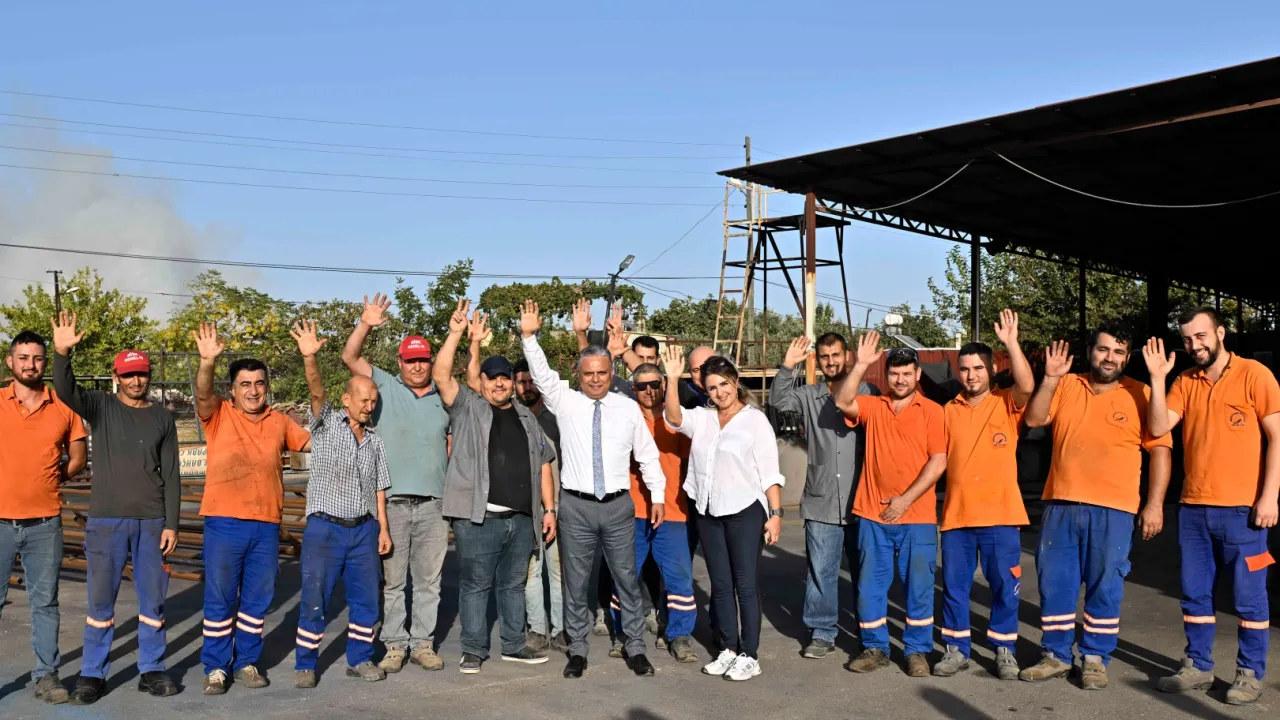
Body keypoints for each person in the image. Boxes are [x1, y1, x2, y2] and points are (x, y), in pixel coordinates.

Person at [519, 299, 666, 680]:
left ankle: (635, 647)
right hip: (576, 507)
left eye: (602, 372)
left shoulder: (627, 407)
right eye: (589, 374)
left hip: (618, 507)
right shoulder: (566, 403)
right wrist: (529, 338)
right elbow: (542, 374)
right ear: (579, 374)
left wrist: (658, 496)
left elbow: (647, 455)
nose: (596, 379)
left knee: (627, 579)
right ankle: (578, 650)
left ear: (611, 372)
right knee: (576, 582)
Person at [1021, 320, 1172, 690]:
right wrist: (1051, 378)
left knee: (1106, 585)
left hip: (1114, 508)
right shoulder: (1067, 384)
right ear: (1090, 351)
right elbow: (1034, 419)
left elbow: (1160, 447)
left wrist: (1154, 504)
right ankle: (1055, 655)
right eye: (1103, 349)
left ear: (1127, 357)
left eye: (1119, 352)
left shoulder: (1140, 393)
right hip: (1061, 503)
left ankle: (1094, 659)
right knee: (1055, 583)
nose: (1110, 357)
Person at [1145, 308, 1280, 705]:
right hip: (1193, 509)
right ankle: (1198, 666)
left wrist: (1269, 496)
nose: (1194, 345)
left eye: (1201, 336)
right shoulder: (1185, 380)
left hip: (1244, 512)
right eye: (1187, 339)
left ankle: (1250, 673)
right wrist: (1158, 378)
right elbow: (1158, 427)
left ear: (1221, 333)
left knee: (1249, 597)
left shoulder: (1255, 375)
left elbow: (1277, 438)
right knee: (1195, 595)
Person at [50, 311, 180, 704]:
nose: (136, 381)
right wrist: (61, 352)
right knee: (100, 602)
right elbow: (65, 389)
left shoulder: (162, 417)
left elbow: (171, 473)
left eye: (141, 374)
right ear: (115, 377)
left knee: (153, 600)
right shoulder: (100, 407)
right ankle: (93, 673)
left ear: (149, 376)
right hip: (106, 521)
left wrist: (172, 523)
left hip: (152, 521)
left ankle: (152, 668)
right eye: (128, 375)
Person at [436, 301, 557, 673]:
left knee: (513, 585)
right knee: (475, 585)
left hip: (521, 519)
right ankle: (473, 649)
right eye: (492, 378)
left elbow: (544, 462)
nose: (500, 383)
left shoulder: (526, 417)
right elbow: (441, 376)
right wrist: (457, 335)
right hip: (479, 519)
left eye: (505, 377)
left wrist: (549, 509)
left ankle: (514, 644)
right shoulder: (468, 408)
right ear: (483, 382)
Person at [193, 323, 312, 695]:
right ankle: (216, 667)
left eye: (259, 383)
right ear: (233, 390)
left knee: (256, 602)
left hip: (265, 525)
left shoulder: (280, 421)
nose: (253, 390)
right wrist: (207, 361)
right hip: (224, 522)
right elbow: (202, 393)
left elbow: (315, 442)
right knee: (220, 599)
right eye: (245, 384)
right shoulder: (219, 415)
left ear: (267, 387)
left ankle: (246, 661)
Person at [342, 292, 451, 674]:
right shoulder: (385, 387)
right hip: (390, 504)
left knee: (429, 582)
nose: (418, 366)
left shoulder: (443, 395)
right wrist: (365, 324)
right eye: (410, 360)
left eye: (423, 359)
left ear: (431, 362)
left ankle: (422, 644)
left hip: (434, 505)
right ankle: (394, 644)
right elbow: (350, 357)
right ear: (400, 362)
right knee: (392, 582)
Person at [662, 349, 784, 682]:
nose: (720, 392)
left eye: (724, 384)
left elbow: (769, 471)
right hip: (708, 510)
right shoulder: (702, 418)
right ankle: (728, 649)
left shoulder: (754, 420)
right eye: (713, 387)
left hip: (745, 511)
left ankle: (750, 655)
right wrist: (671, 379)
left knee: (745, 585)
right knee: (720, 585)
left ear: (735, 381)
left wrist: (775, 513)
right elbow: (674, 418)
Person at [834, 334, 946, 678]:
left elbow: (938, 461)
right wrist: (861, 364)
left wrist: (905, 500)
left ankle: (917, 651)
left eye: (907, 373)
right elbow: (842, 400)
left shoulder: (932, 411)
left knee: (919, 588)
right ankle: (875, 647)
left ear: (917, 375)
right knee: (870, 586)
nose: (900, 380)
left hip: (917, 516)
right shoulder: (873, 406)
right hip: (872, 514)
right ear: (886, 375)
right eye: (894, 373)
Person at [292, 320, 394, 688]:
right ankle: (306, 664)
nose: (369, 406)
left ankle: (361, 658)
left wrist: (382, 528)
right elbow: (316, 390)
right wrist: (310, 358)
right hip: (325, 528)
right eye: (363, 399)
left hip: (363, 530)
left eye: (373, 401)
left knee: (366, 599)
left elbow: (379, 486)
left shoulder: (375, 441)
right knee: (315, 598)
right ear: (346, 399)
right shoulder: (326, 425)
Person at [933, 311, 1035, 680]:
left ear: (991, 370)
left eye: (978, 368)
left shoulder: (1007, 403)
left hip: (1002, 515)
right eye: (964, 369)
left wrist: (1012, 343)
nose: (971, 375)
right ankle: (956, 649)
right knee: (955, 588)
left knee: (1005, 586)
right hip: (958, 517)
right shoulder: (947, 411)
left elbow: (1027, 385)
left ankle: (1004, 649)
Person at [771, 331, 876, 659]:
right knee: (821, 571)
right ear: (818, 360)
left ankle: (869, 631)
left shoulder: (867, 392)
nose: (831, 362)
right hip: (821, 498)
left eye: (836, 355)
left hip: (861, 500)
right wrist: (788, 366)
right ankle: (822, 631)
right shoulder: (808, 395)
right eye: (825, 356)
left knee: (865, 572)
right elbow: (778, 402)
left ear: (847, 356)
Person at [0, 330, 87, 705]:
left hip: (45, 523)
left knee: (45, 603)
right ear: (10, 361)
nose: (30, 365)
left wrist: (49, 478)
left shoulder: (64, 407)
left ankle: (46, 676)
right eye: (23, 358)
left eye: (37, 358)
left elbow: (78, 459)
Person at [608, 356, 699, 664]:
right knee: (625, 576)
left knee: (679, 579)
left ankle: (679, 636)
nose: (648, 391)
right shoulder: (624, 419)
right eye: (641, 386)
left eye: (654, 384)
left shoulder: (677, 421)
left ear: (663, 386)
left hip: (672, 512)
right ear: (633, 389)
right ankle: (623, 634)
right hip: (630, 513)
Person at [512, 358, 568, 654]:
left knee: (558, 571)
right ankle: (536, 629)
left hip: (556, 504)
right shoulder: (511, 416)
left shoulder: (557, 415)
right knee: (530, 572)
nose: (527, 387)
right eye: (521, 382)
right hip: (525, 507)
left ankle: (560, 630)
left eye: (531, 381)